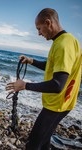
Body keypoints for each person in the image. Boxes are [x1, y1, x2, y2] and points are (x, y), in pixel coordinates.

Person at [6, 8, 81, 150]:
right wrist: (31, 61)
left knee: (33, 144)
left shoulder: (63, 45)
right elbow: (54, 67)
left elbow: (57, 84)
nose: (38, 33)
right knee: (45, 141)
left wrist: (25, 86)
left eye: (39, 29)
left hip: (57, 104)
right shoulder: (68, 40)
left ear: (48, 23)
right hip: (63, 102)